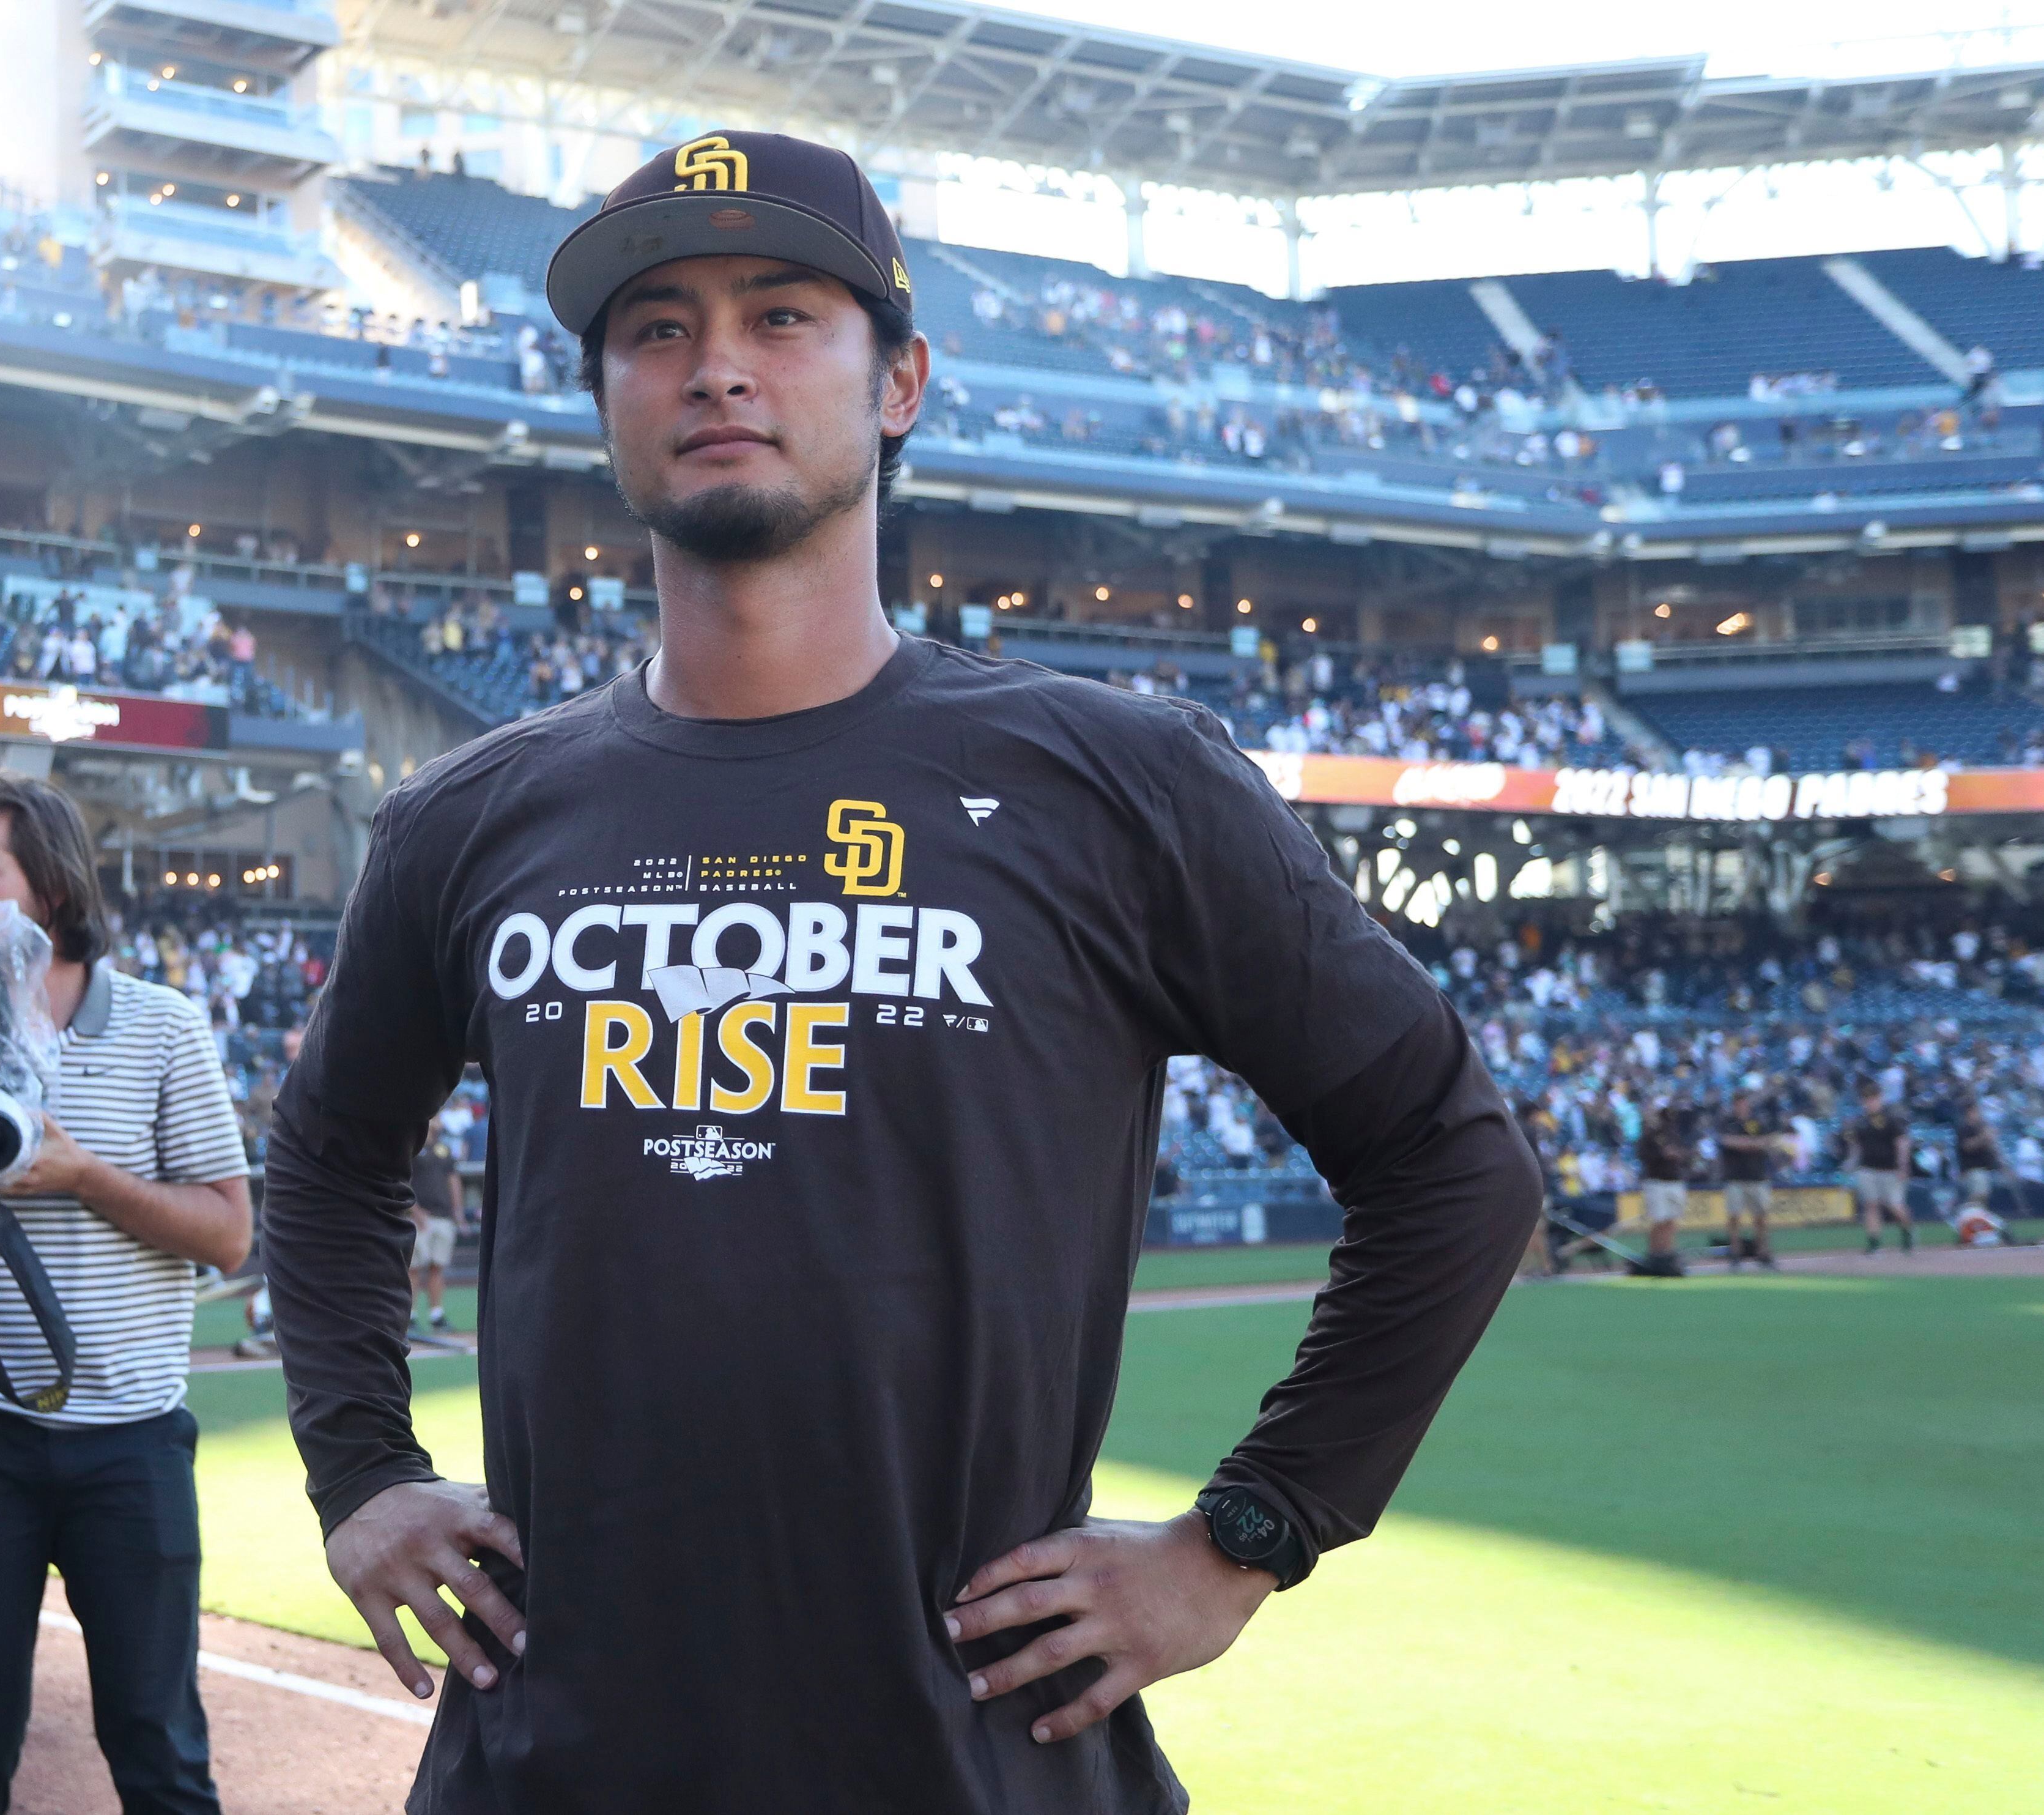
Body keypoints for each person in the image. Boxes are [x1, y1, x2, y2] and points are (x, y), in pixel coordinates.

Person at [265, 130, 1539, 1813]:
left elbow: (1451, 1160)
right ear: (605, 401)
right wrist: (361, 1462)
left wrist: (1242, 1533)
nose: (714, 361)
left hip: (977, 1760)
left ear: (902, 380)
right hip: (552, 1757)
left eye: (782, 313)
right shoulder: (470, 817)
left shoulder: (1120, 781)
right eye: (654, 327)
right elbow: (329, 1149)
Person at [0, 771, 251, 1815]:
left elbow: (230, 1234)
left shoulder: (162, 1027)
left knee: (159, 1747)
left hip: (131, 1434)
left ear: (50, 890)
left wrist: (85, 1177)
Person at [1843, 1082, 1915, 1255]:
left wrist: (1903, 1166)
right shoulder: (1861, 1122)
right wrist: (1850, 1164)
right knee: (1871, 1205)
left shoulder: (1891, 1118)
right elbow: (1856, 1147)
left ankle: (1907, 1232)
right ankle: (1874, 1244)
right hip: (1867, 1168)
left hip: (1890, 1169)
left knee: (1895, 1205)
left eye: (1873, 1099)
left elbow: (1902, 1143)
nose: (1870, 1103)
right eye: (1866, 1099)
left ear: (1879, 1098)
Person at [1716, 1089, 1782, 1271]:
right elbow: (1728, 1141)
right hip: (1735, 1176)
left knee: (1761, 1216)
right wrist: (1753, 1143)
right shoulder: (1728, 1122)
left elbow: (1771, 1140)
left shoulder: (1758, 1121)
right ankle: (1736, 1253)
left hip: (1757, 1175)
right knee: (1734, 1216)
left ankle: (1763, 1252)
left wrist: (1748, 1144)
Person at [407, 1129, 462, 1333]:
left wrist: (458, 1211)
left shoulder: (444, 1149)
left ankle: (436, 1314)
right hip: (420, 1217)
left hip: (443, 1216)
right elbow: (404, 1180)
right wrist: (416, 1211)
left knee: (437, 1266)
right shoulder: (412, 1147)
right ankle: (410, 1317)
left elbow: (453, 1179)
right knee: (414, 1268)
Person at [1634, 1099, 1691, 1276]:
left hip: (1673, 1180)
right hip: (1657, 1180)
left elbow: (1685, 1154)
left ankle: (1667, 1253)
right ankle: (1656, 1255)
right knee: (1659, 1219)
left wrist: (1678, 1154)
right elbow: (1643, 1154)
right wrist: (1662, 1154)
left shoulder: (1673, 1132)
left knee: (1671, 1219)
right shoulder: (1649, 1133)